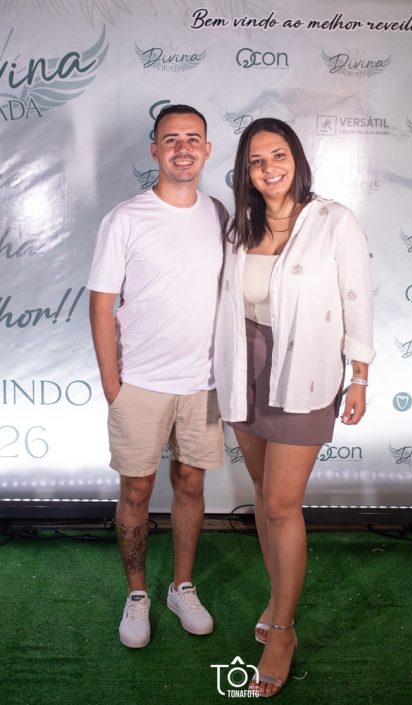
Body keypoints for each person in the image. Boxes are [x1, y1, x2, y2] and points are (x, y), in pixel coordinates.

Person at [214, 117, 375, 697]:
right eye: (256, 161)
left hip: (305, 366)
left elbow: (357, 297)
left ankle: (282, 630)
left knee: (282, 502)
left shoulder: (333, 220)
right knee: (262, 493)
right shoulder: (240, 224)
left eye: (277, 155)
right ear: (246, 171)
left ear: (297, 159)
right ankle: (278, 594)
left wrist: (360, 374)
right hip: (244, 364)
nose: (268, 168)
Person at [87, 104, 227, 648]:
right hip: (140, 383)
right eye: (171, 139)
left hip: (202, 383)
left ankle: (181, 586)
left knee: (191, 483)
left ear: (207, 150)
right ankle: (138, 593)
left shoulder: (220, 214)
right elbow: (101, 304)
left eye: (192, 138)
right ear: (155, 150)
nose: (182, 148)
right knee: (137, 488)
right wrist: (112, 386)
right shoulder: (126, 218)